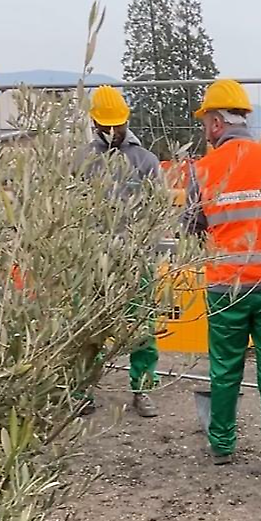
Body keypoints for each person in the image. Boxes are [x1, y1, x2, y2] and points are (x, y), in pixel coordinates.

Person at [181, 78, 261, 474]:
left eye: (205, 123)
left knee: (225, 368)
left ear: (216, 123)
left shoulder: (202, 170)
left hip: (225, 288)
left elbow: (191, 227)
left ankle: (221, 446)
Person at [78, 85, 161, 418]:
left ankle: (143, 389)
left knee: (140, 329)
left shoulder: (146, 160)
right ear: (94, 123)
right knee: (88, 329)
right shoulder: (82, 160)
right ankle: (82, 389)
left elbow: (158, 210)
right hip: (91, 260)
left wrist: (146, 251)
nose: (113, 131)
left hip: (135, 260)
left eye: (118, 124)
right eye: (106, 125)